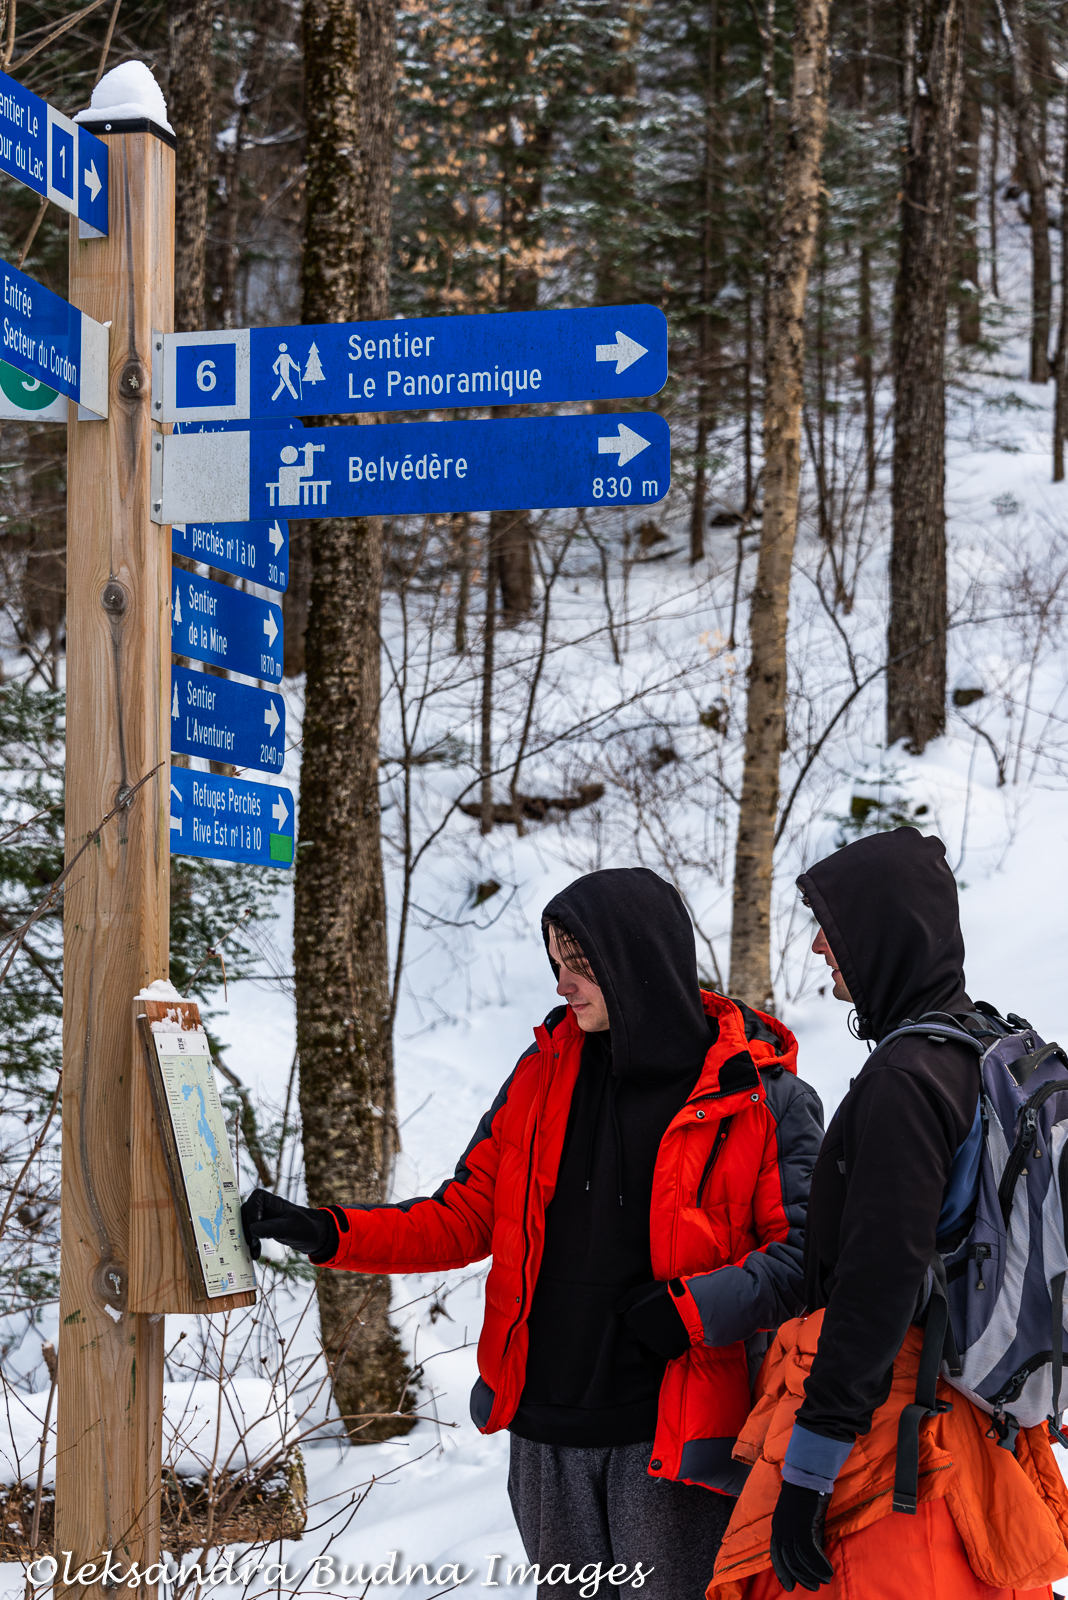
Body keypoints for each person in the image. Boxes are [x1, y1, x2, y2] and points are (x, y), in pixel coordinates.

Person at [243, 867, 824, 1597]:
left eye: (581, 966)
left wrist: (694, 1309)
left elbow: (805, 1256)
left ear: (638, 959)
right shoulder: (540, 1075)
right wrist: (325, 1232)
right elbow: (463, 1215)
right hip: (546, 1435)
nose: (563, 985)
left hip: (674, 1438)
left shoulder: (761, 1097)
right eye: (557, 965)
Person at [708, 828, 1068, 1600]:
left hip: (897, 1447)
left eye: (831, 929)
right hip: (971, 1420)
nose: (815, 948)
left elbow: (878, 1282)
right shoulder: (983, 1044)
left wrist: (808, 1470)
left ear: (883, 931)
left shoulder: (907, 1076)